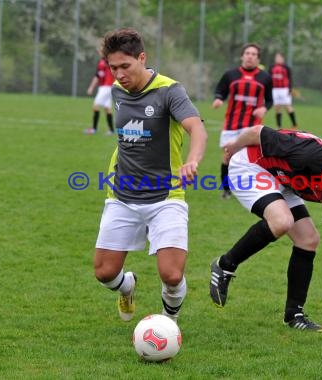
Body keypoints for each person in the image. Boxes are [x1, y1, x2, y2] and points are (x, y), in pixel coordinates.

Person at [209, 125, 322, 332]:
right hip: (250, 167)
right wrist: (232, 149)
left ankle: (294, 315)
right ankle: (225, 265)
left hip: (283, 182)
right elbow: (258, 132)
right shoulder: (309, 153)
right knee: (282, 221)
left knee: (308, 239)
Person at [92, 28, 208, 323]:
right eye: (113, 67)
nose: (118, 74)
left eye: (125, 66)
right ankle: (127, 286)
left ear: (142, 58)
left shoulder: (170, 91)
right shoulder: (117, 92)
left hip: (165, 195)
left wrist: (192, 160)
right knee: (104, 273)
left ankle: (168, 321)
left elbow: (197, 128)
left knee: (171, 275)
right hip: (121, 194)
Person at [212, 43, 273, 200]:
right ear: (242, 56)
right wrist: (218, 99)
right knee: (227, 157)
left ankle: (251, 188)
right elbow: (220, 90)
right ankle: (226, 190)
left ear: (258, 58)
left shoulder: (265, 77)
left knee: (252, 159)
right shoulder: (230, 75)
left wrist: (264, 109)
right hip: (232, 124)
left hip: (252, 127)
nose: (250, 56)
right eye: (247, 53)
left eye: (254, 54)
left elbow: (270, 100)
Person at [84, 57, 115, 135]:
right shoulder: (105, 61)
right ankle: (111, 130)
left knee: (95, 106)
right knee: (107, 108)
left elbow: (98, 76)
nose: (99, 51)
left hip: (105, 87)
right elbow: (98, 75)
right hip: (108, 87)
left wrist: (91, 88)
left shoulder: (105, 61)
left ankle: (94, 129)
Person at [269, 52, 297, 129]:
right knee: (277, 107)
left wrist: (290, 89)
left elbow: (290, 79)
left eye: (279, 57)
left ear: (283, 58)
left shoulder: (286, 68)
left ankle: (294, 124)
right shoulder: (272, 67)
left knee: (287, 106)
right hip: (275, 89)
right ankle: (279, 126)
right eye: (276, 57)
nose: (277, 59)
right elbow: (269, 78)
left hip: (284, 89)